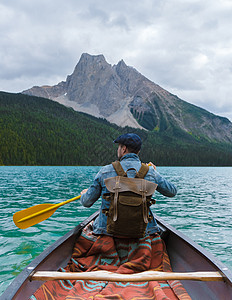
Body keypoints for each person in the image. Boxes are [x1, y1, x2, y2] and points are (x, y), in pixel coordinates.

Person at [80, 133, 177, 236]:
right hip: (142, 231)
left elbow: (87, 202)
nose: (118, 149)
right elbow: (172, 192)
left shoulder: (104, 171)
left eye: (119, 147)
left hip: (107, 231)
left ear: (124, 149)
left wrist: (84, 194)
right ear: (138, 151)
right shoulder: (150, 172)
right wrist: (154, 173)